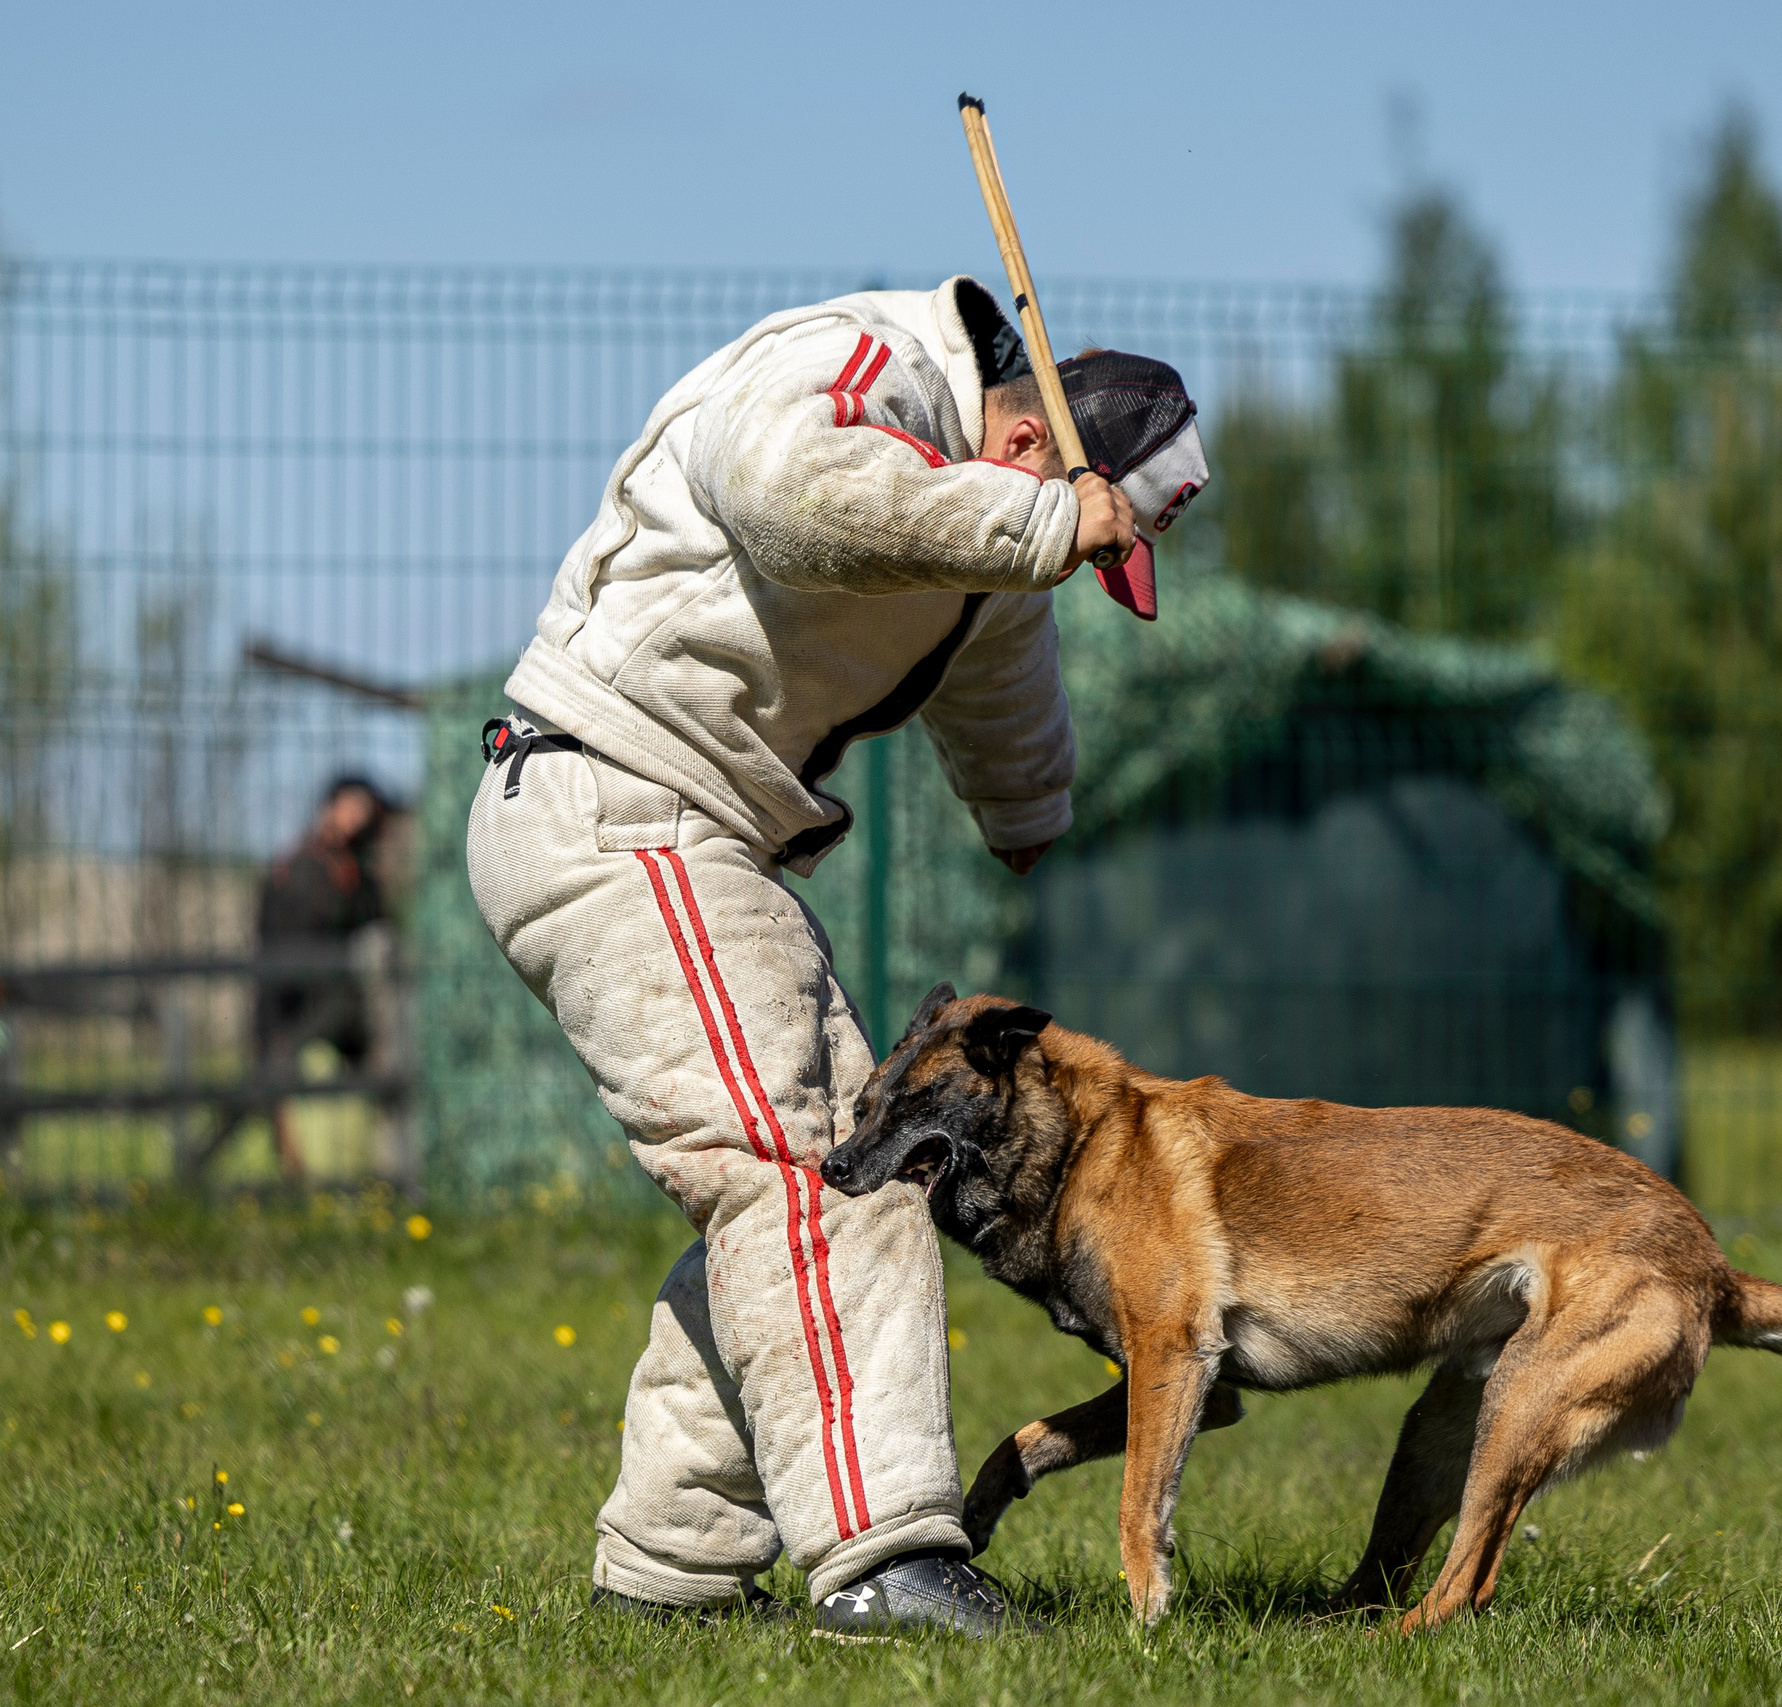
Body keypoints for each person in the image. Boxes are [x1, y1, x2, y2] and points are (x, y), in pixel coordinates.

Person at [465, 276, 1205, 1634]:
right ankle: (883, 1560)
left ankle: (670, 1571)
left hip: (694, 835)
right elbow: (791, 492)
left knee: (811, 1176)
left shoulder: (995, 524)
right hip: (620, 801)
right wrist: (1046, 527)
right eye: (1082, 534)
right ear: (1032, 446)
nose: (1069, 561)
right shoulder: (860, 362)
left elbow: (999, 665)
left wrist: (1030, 808)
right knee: (832, 1177)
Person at [253, 774, 392, 1180]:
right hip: (292, 1004)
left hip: (336, 1007)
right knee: (269, 1096)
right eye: (350, 806)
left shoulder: (359, 874)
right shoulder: (298, 869)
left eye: (363, 810)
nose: (356, 818)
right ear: (328, 807)